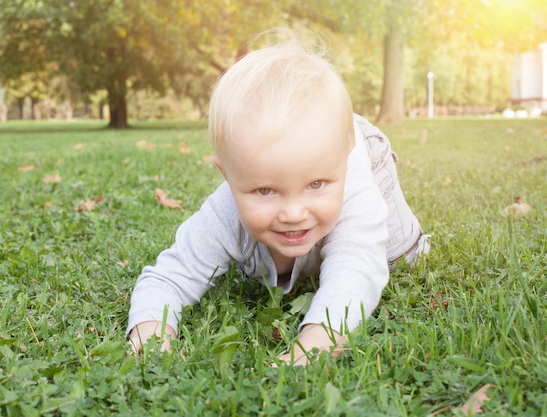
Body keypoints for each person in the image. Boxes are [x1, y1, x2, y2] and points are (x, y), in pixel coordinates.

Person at [127, 42, 429, 365]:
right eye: (266, 190)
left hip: (366, 160)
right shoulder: (225, 211)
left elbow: (356, 272)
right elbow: (168, 277)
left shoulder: (352, 184)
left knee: (400, 256)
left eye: (315, 185)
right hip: (317, 159)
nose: (294, 213)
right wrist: (152, 337)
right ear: (226, 174)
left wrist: (311, 348)